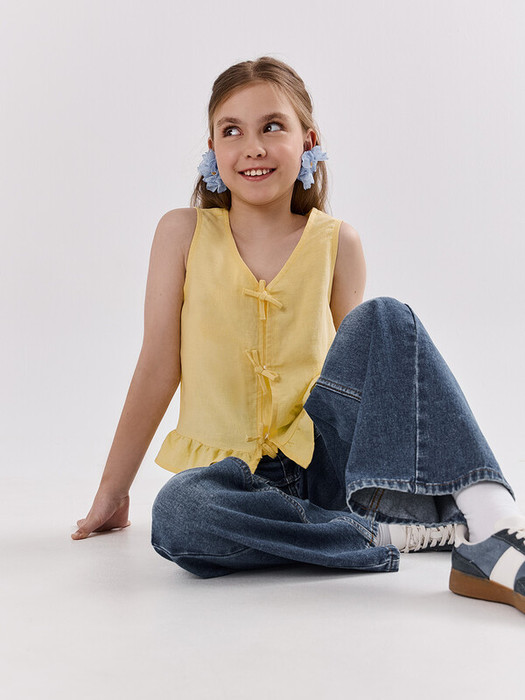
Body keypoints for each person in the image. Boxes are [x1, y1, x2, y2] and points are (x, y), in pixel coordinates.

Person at [72, 56, 525, 615]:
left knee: (386, 317)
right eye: (231, 131)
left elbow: (364, 376)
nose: (252, 147)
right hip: (228, 482)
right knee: (178, 513)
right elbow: (157, 364)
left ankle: (498, 525)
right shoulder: (182, 233)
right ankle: (377, 532)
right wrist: (113, 492)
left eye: (272, 126)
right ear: (212, 148)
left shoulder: (337, 242)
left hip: (322, 464)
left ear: (307, 140)